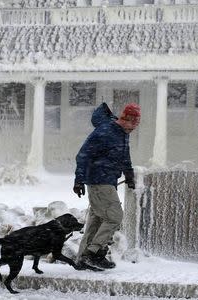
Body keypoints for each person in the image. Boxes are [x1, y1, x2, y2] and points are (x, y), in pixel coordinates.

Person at [73, 102, 141, 269]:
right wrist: (79, 179)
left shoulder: (122, 133)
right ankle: (95, 253)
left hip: (107, 180)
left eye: (136, 126)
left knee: (96, 221)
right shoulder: (105, 131)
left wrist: (129, 175)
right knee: (114, 216)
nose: (133, 129)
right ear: (126, 119)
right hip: (99, 180)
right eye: (133, 124)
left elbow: (125, 156)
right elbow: (83, 154)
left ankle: (82, 260)